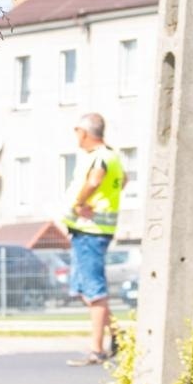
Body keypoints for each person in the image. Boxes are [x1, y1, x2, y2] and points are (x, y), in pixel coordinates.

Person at [62, 112, 126, 365]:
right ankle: (118, 333)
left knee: (94, 291)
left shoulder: (100, 157)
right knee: (84, 289)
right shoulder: (112, 156)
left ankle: (97, 349)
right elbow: (123, 181)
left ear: (85, 133)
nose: (76, 136)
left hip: (91, 231)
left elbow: (95, 180)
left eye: (77, 131)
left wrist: (81, 203)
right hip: (89, 231)